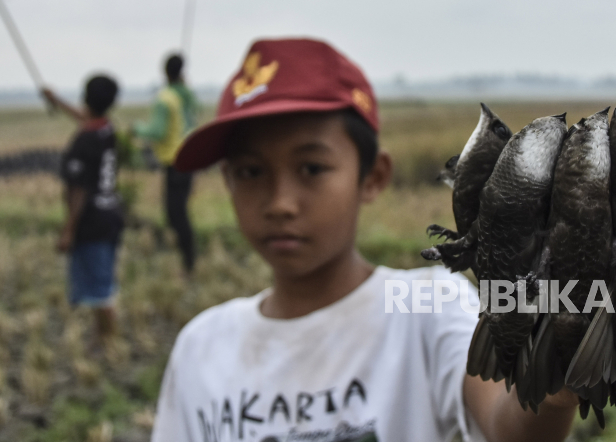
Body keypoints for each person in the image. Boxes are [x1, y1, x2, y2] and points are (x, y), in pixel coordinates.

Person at [150, 39, 579, 442]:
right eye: (250, 172)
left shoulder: (427, 306)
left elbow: (506, 422)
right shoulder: (201, 347)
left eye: (311, 169)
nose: (280, 203)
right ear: (227, 181)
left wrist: (554, 369)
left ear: (373, 177)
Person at [42, 76, 124, 346]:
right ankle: (101, 337)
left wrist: (68, 230)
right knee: (103, 282)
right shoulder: (105, 129)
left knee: (100, 291)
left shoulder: (84, 141)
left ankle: (106, 342)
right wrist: (57, 102)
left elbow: (78, 190)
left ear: (85, 97)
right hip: (111, 215)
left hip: (92, 223)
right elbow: (87, 120)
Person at [132, 53, 200, 272]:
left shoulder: (165, 99)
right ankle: (187, 259)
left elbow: (157, 131)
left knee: (175, 215)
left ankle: (188, 263)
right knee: (179, 213)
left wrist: (136, 129)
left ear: (164, 72)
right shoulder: (187, 96)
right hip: (188, 158)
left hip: (174, 162)